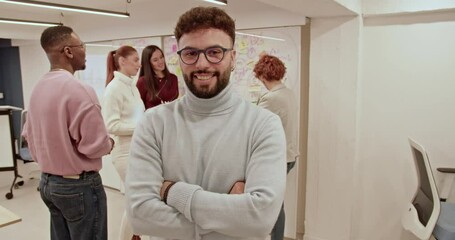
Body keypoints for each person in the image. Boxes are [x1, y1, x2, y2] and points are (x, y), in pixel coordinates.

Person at [125, 6, 287, 240]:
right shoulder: (154, 123)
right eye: (190, 53)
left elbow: (260, 219)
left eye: (215, 52)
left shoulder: (264, 125)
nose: (202, 63)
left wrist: (172, 191)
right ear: (180, 58)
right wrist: (228, 222)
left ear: (232, 58)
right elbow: (139, 214)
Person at [22, 25, 114, 240]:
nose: (85, 51)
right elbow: (95, 146)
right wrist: (109, 143)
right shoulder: (80, 90)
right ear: (68, 52)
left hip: (48, 183)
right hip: (78, 186)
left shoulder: (38, 88)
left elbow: (29, 135)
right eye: (82, 45)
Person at [254, 54, 299, 240]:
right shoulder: (288, 93)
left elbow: (254, 125)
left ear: (263, 76)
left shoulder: (271, 98)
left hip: (278, 158)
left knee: (275, 205)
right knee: (276, 202)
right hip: (290, 155)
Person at [102, 45, 145, 240]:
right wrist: (143, 127)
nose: (139, 64)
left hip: (139, 150)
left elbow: (136, 118)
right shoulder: (113, 89)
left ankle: (135, 236)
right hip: (124, 153)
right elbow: (112, 126)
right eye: (135, 60)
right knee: (135, 201)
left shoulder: (131, 86)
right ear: (122, 61)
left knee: (139, 201)